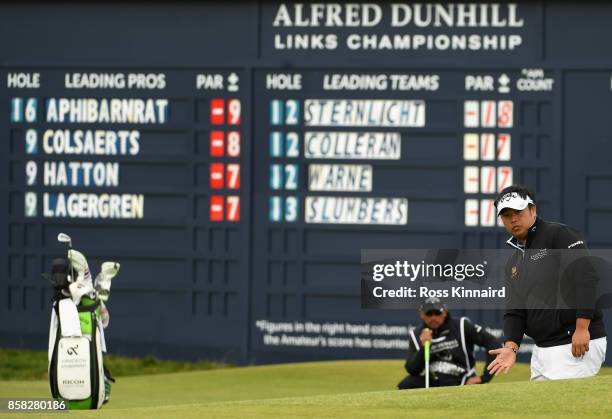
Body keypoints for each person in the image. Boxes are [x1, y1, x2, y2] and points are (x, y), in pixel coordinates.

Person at [488, 185, 607, 381]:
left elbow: (586, 278)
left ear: (533, 210)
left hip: (574, 342)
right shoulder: (514, 262)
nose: (513, 219)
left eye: (518, 211)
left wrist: (582, 328)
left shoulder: (559, 235)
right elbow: (515, 312)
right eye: (506, 215)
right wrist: (510, 347)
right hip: (543, 348)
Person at [398, 297, 500, 389]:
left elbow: (492, 343)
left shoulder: (461, 325)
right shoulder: (416, 334)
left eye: (437, 313)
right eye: (429, 314)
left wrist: (484, 378)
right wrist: (424, 348)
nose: (433, 318)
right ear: (422, 314)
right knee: (406, 384)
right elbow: (412, 370)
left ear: (445, 312)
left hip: (463, 380)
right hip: (434, 381)